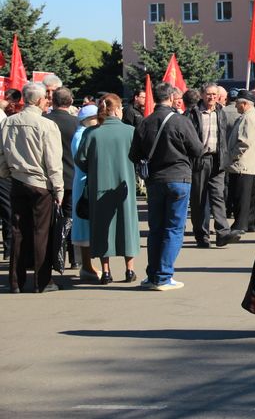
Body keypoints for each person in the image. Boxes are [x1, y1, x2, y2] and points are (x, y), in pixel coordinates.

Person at [129, 82, 204, 291]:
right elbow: (198, 149)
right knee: (174, 228)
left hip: (154, 180)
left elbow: (134, 155)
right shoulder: (180, 121)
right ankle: (163, 276)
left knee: (156, 228)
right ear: (171, 98)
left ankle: (153, 274)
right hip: (179, 178)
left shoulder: (145, 122)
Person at [0, 82, 64, 293]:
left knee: (18, 231)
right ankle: (42, 281)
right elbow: (53, 162)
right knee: (41, 232)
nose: (47, 101)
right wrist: (58, 189)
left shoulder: (8, 122)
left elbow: (1, 153)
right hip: (40, 184)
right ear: (38, 100)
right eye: (45, 98)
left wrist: (6, 172)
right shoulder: (46, 125)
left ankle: (16, 282)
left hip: (17, 181)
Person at [75, 94, 140, 284]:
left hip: (99, 185)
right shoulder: (130, 131)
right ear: (117, 109)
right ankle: (129, 270)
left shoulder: (91, 133)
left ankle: (106, 271)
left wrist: (94, 169)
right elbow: (139, 158)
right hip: (124, 185)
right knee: (127, 224)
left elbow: (80, 160)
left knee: (102, 226)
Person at [189, 83, 242, 248]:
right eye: (208, 94)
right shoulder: (193, 113)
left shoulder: (221, 111)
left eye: (214, 94)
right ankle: (202, 235)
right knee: (199, 199)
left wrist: (226, 155)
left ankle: (223, 233)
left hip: (218, 160)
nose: (211, 97)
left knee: (218, 196)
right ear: (202, 95)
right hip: (200, 160)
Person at [45, 87, 80, 268]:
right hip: (72, 177)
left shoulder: (44, 120)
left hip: (48, 178)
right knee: (71, 218)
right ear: (71, 101)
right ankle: (74, 258)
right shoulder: (77, 123)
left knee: (49, 220)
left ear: (53, 101)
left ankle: (52, 256)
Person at [71, 104, 101, 281]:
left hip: (83, 183)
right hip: (84, 184)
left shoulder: (82, 133)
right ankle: (87, 266)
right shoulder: (82, 135)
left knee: (85, 225)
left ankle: (88, 265)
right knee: (83, 226)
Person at [226, 90, 255, 232]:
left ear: (245, 104)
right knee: (248, 196)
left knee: (241, 196)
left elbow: (244, 142)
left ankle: (240, 225)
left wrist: (231, 156)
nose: (235, 106)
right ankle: (249, 223)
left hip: (242, 163)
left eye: (237, 103)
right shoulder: (250, 116)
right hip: (246, 163)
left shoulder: (248, 118)